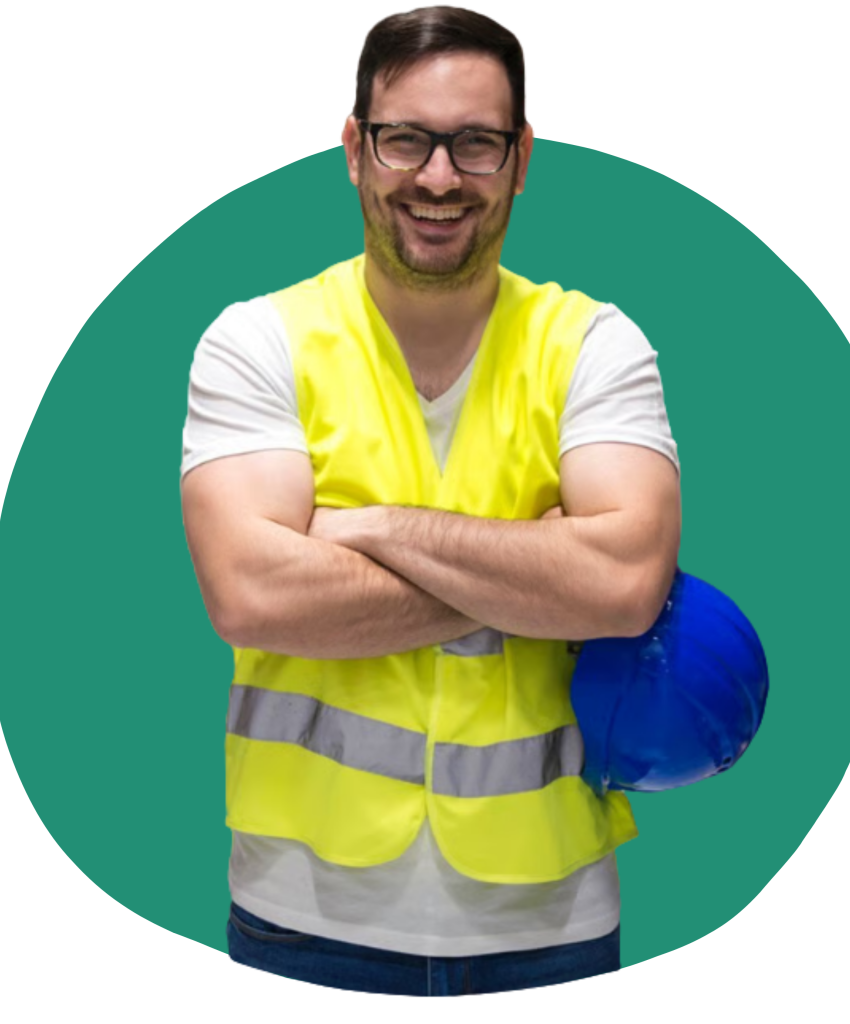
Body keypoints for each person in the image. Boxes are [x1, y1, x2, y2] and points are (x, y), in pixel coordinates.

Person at [180, 6, 681, 995]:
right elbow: (250, 595)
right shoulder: (256, 342)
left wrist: (359, 530)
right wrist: (538, 569)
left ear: (521, 157)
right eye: (405, 138)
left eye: (475, 143)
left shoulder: (595, 345)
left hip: (549, 919)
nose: (440, 178)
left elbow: (624, 586)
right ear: (353, 149)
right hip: (303, 918)